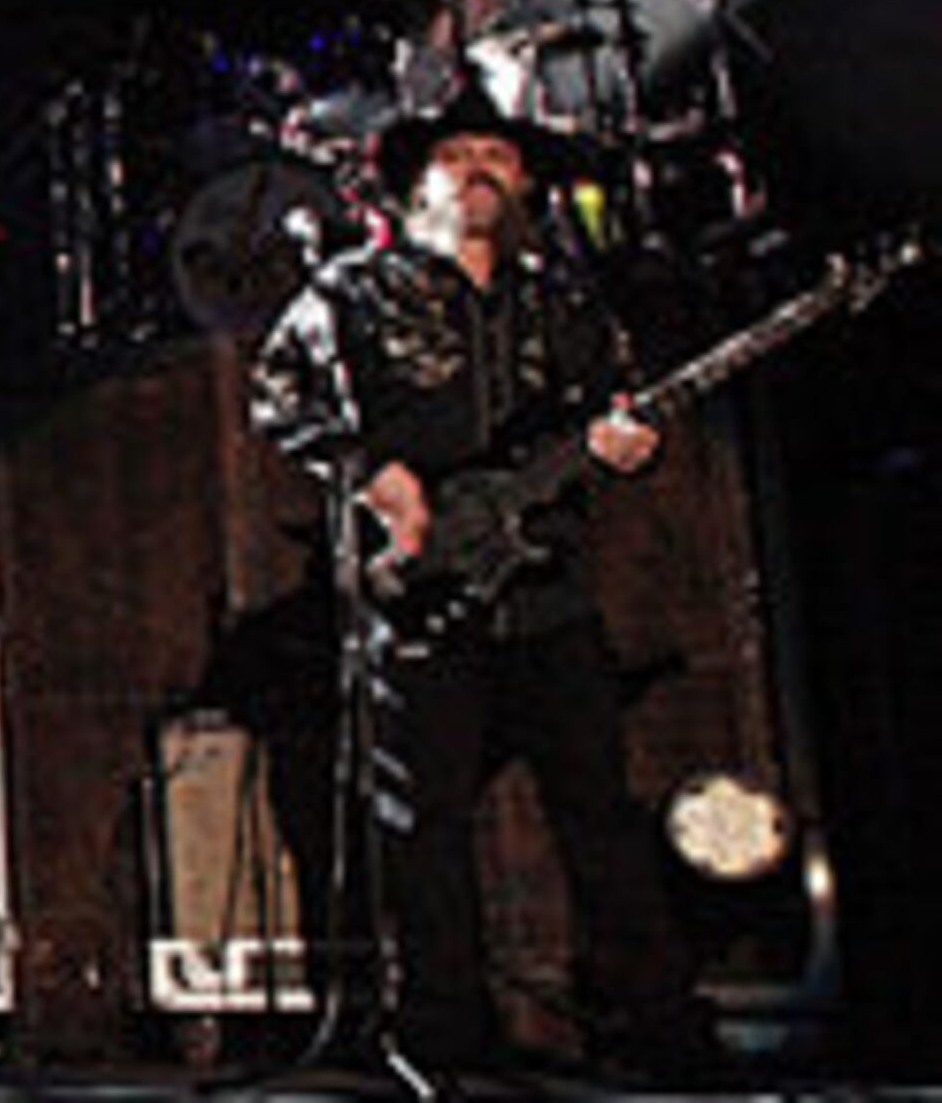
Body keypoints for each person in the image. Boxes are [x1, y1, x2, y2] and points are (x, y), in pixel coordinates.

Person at [249, 88, 710, 1079]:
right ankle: (444, 1040)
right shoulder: (353, 292)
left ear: (526, 177)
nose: (478, 166)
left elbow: (620, 406)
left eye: (496, 151)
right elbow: (276, 389)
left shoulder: (563, 297)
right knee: (425, 833)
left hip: (546, 589)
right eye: (456, 152)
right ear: (417, 180)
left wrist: (631, 442)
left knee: (599, 816)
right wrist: (371, 470)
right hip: (420, 595)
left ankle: (658, 1029)